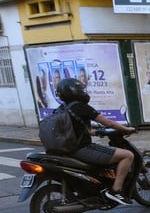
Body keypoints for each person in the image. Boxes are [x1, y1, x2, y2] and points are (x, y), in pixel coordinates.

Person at [55, 77, 136, 205]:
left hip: (65, 150)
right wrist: (126, 129)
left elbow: (76, 130)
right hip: (82, 149)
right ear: (75, 91)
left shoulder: (60, 109)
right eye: (80, 89)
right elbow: (108, 123)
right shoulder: (81, 107)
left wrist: (94, 132)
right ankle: (116, 191)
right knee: (127, 155)